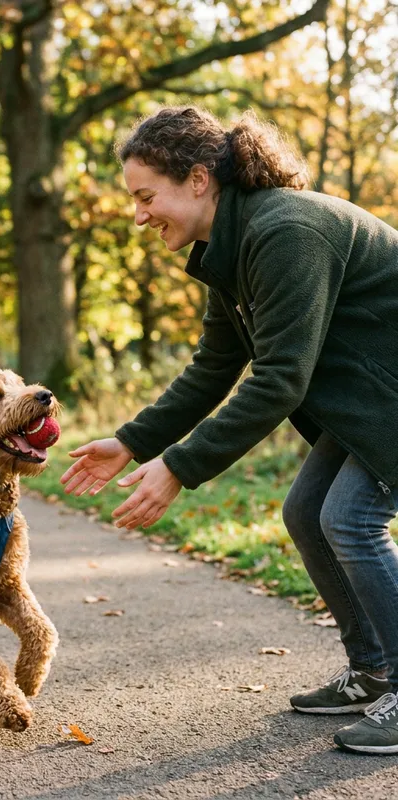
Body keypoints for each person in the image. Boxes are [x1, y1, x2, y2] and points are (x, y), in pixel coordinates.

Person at [61, 106, 398, 755]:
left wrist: (181, 467)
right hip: (373, 398)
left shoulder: (285, 229)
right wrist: (134, 441)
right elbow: (217, 363)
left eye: (144, 196)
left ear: (195, 179)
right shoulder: (232, 245)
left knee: (349, 518)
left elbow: (279, 378)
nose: (138, 214)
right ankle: (373, 670)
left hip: (386, 395)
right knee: (307, 511)